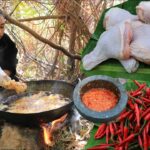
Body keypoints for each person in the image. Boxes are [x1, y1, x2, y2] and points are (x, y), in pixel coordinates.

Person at [0, 12, 18, 81]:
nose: (0, 32)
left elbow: (10, 64)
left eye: (1, 27)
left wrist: (4, 74)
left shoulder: (6, 41)